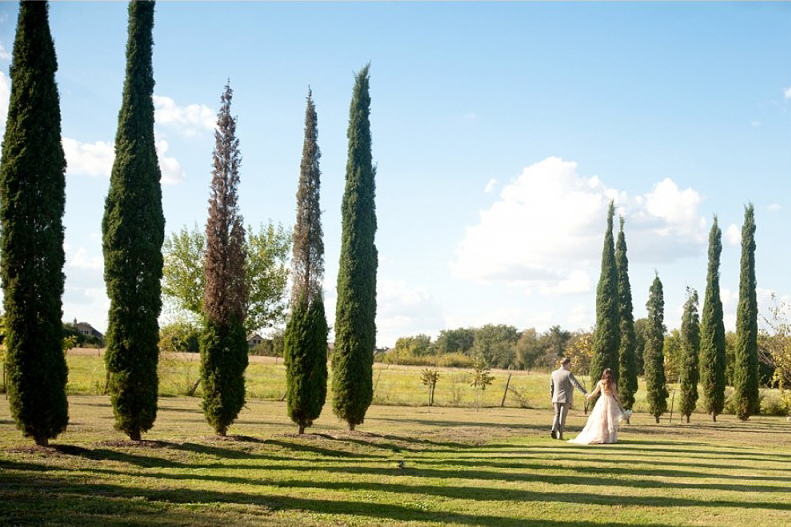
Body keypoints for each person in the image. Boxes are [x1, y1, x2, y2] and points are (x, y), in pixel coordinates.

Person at [569, 368, 628, 445]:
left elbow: (595, 392)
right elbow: (616, 395)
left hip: (602, 401)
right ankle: (609, 438)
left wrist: (589, 396)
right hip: (610, 401)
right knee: (609, 420)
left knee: (600, 419)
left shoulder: (600, 382)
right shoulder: (613, 384)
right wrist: (621, 407)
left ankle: (601, 436)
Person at [550, 357, 588, 440]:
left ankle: (554, 429)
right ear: (567, 364)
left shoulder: (554, 373)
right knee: (562, 417)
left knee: (557, 415)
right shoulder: (568, 374)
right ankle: (560, 435)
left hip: (556, 397)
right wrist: (585, 392)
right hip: (566, 398)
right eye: (570, 364)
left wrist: (552, 397)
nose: (570, 366)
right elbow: (576, 384)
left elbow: (551, 387)